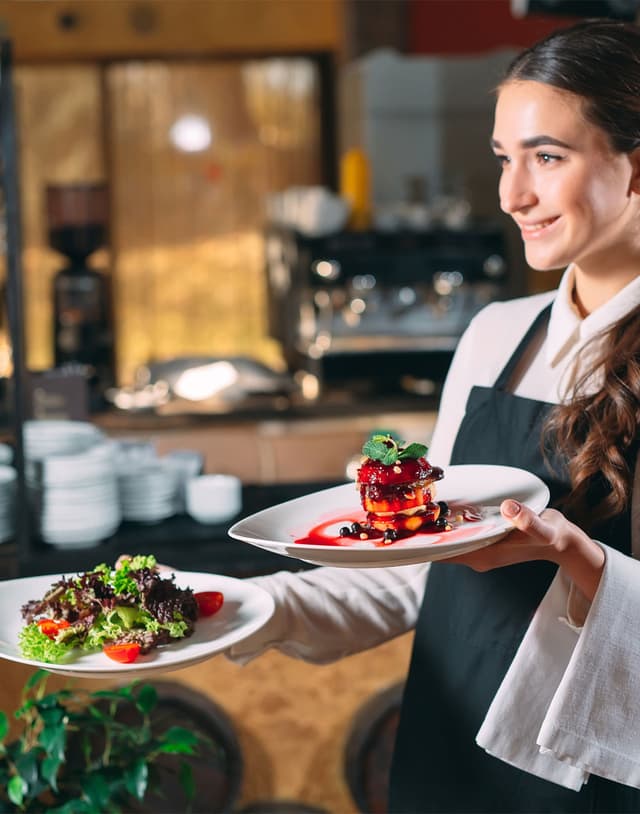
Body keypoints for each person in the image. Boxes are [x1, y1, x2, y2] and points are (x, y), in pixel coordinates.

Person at [227, 20, 640, 813]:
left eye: (547, 157)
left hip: (597, 778)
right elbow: (417, 576)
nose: (511, 195)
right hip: (448, 756)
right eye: (503, 159)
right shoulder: (494, 337)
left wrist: (580, 563)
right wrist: (247, 607)